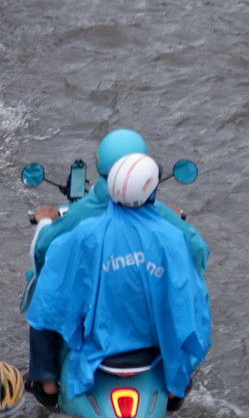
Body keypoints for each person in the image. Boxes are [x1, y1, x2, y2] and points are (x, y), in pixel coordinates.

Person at [26, 154, 212, 409]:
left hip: (100, 349)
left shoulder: (86, 232)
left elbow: (49, 286)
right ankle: (173, 387)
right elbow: (189, 296)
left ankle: (47, 384)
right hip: (150, 348)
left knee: (45, 296)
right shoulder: (171, 237)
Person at [22, 129, 209, 314]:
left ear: (99, 165)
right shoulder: (160, 214)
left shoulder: (81, 216)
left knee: (42, 301)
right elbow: (197, 250)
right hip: (146, 315)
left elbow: (43, 250)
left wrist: (45, 222)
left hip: (91, 318)